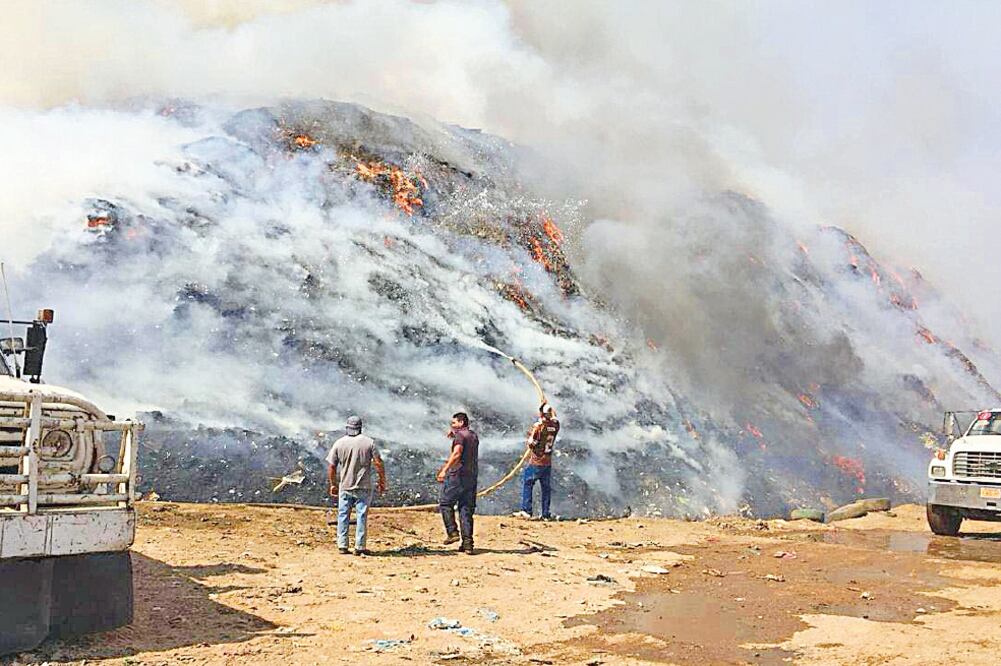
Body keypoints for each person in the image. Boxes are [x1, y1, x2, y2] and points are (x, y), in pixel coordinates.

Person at [326, 415, 387, 555]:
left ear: (347, 428)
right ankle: (359, 547)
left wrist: (333, 484)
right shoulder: (369, 443)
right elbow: (378, 463)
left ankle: (342, 545)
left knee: (343, 515)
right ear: (360, 428)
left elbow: (331, 466)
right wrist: (382, 480)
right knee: (361, 516)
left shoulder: (339, 443)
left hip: (345, 486)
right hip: (364, 486)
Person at [437, 412, 479, 554]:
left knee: (445, 503)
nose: (452, 425)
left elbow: (457, 454)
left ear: (461, 422)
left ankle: (452, 532)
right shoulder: (473, 435)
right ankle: (468, 544)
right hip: (471, 476)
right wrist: (455, 434)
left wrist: (444, 470)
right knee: (466, 509)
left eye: (454, 423)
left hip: (458, 475)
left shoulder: (460, 436)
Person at [516, 403, 560, 520]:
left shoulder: (539, 427)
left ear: (541, 413)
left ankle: (527, 510)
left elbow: (532, 443)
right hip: (547, 461)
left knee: (528, 482)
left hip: (537, 461)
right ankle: (546, 513)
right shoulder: (555, 425)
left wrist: (530, 436)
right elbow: (555, 418)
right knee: (546, 488)